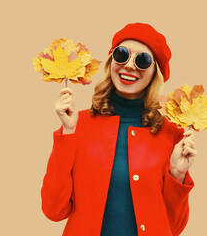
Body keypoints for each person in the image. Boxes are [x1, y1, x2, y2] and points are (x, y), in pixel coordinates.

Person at [41, 22, 197, 236]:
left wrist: (177, 174)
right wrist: (67, 135)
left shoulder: (173, 135)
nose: (130, 65)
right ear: (111, 61)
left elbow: (173, 227)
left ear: (154, 73)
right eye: (122, 54)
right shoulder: (77, 123)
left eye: (142, 60)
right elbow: (54, 211)